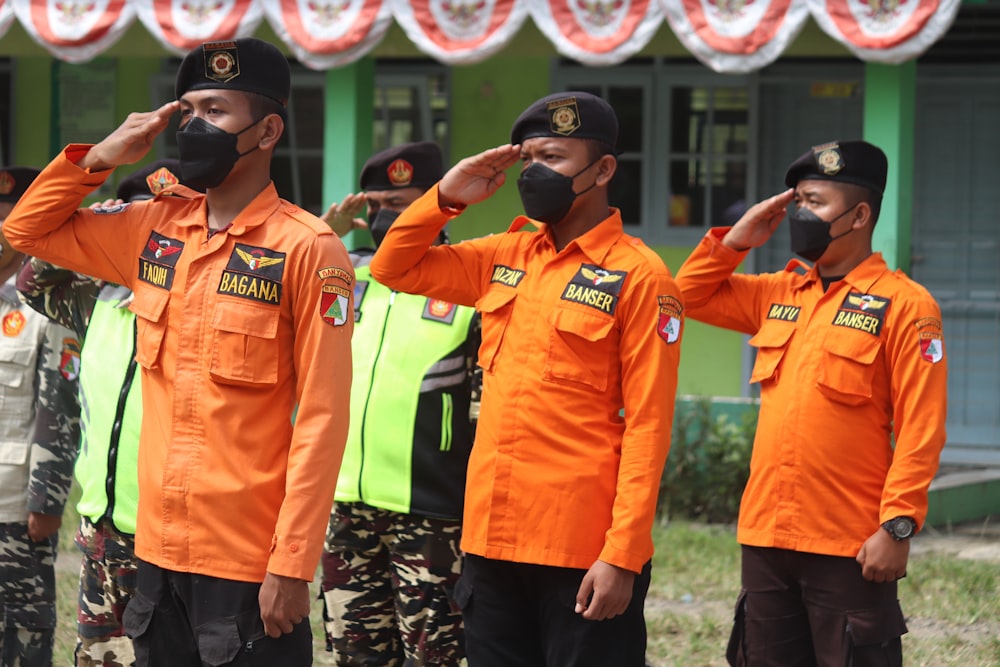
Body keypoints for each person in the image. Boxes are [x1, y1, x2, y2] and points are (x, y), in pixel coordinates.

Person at [4, 38, 355, 667]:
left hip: (248, 561)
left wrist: (294, 562)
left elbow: (324, 419)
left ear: (268, 128)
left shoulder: (308, 249)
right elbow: (25, 231)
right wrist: (99, 159)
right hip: (155, 554)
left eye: (215, 111)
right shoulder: (152, 228)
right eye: (187, 109)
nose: (194, 125)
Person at [369, 92, 683, 666]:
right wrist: (444, 198)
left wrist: (623, 555)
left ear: (603, 169)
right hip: (491, 538)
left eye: (555, 158)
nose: (536, 172)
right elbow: (394, 267)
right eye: (530, 158)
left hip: (580, 548)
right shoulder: (505, 254)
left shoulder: (641, 278)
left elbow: (649, 425)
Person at [674, 140, 948, 666]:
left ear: (859, 214)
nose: (801, 213)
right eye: (796, 201)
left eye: (814, 202)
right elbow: (685, 296)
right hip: (766, 536)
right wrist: (735, 242)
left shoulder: (906, 305)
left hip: (849, 543)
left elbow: (923, 425)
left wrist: (898, 526)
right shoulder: (778, 293)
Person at [16, 159, 195, 667]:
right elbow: (33, 277)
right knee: (99, 659)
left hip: (171, 535)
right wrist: (95, 217)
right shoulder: (97, 298)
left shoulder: (201, 303)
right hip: (101, 531)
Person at [318, 142, 479, 666]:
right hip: (345, 510)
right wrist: (327, 231)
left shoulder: (467, 280)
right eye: (380, 205)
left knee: (437, 659)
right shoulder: (346, 276)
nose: (390, 217)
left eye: (405, 203)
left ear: (436, 205)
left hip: (432, 516)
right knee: (355, 657)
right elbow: (268, 289)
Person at [0, 166, 82, 666]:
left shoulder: (47, 306)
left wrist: (46, 502)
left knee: (21, 632)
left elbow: (59, 406)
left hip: (12, 504)